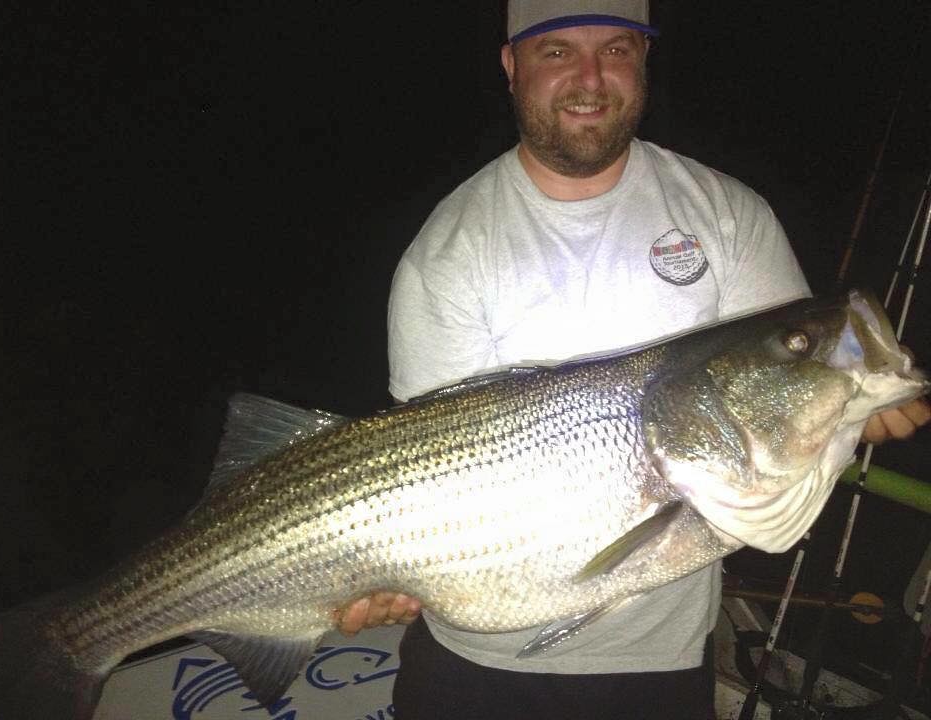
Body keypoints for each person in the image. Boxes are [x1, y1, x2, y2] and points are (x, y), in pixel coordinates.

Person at [335, 1, 931, 718]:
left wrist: (852, 407)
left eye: (616, 50)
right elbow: (419, 471)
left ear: (644, 60)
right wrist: (381, 568)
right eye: (557, 52)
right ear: (511, 65)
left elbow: (782, 396)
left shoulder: (729, 216)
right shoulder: (450, 252)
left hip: (661, 668)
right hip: (473, 672)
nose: (590, 77)